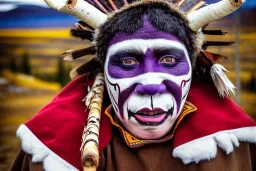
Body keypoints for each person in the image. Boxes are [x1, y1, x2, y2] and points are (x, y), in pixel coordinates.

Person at [11, 0, 256, 171]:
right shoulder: (50, 155)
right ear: (104, 71)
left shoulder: (235, 146)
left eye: (169, 60)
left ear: (192, 70)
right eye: (127, 61)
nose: (150, 83)